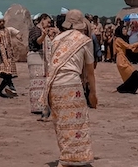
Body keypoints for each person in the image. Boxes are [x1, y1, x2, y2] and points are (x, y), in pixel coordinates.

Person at [42, 9, 97, 167]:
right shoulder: (84, 41)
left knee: (62, 125)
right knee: (78, 123)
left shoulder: (57, 39)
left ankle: (66, 157)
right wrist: (93, 93)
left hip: (54, 86)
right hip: (72, 85)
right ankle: (71, 159)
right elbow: (90, 72)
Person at [0, 11, 23, 98]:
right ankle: (11, 88)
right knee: (4, 74)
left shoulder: (9, 30)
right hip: (0, 56)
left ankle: (0, 91)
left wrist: (19, 37)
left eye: (2, 21)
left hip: (9, 55)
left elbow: (17, 33)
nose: (1, 23)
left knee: (8, 74)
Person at [27, 13, 52, 117]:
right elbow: (37, 42)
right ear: (43, 19)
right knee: (37, 82)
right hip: (36, 57)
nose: (49, 24)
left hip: (40, 58)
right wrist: (44, 35)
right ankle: (38, 106)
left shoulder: (41, 30)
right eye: (48, 22)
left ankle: (41, 105)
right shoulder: (36, 30)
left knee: (41, 83)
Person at [114, 25, 138, 94]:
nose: (126, 31)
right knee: (134, 73)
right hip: (121, 60)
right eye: (124, 29)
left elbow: (132, 50)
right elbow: (128, 46)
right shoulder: (118, 39)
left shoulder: (124, 39)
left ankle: (119, 89)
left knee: (131, 78)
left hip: (124, 59)